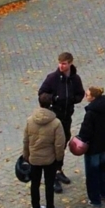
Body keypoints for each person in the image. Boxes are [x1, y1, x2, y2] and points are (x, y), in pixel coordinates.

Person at [38, 52, 85, 193]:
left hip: (66, 117)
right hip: (54, 118)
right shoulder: (52, 78)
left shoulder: (75, 79)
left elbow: (80, 94)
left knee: (62, 145)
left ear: (70, 63)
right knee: (53, 146)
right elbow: (42, 94)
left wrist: (72, 99)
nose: (61, 66)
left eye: (64, 63)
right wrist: (55, 99)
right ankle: (51, 178)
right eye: (59, 63)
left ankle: (58, 169)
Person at [22, 92, 66, 208]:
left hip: (34, 158)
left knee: (35, 183)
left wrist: (26, 155)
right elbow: (59, 144)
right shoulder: (56, 123)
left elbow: (26, 140)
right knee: (49, 183)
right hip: (49, 159)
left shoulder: (30, 120)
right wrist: (59, 159)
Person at [76, 86, 105, 208]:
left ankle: (95, 199)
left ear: (93, 97)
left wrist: (79, 139)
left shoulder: (91, 113)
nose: (85, 97)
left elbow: (86, 132)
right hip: (104, 145)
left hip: (93, 148)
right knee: (102, 171)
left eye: (87, 95)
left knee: (92, 174)